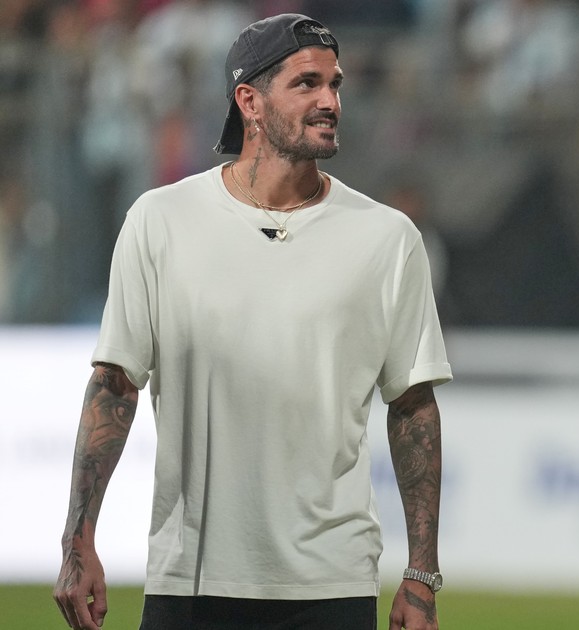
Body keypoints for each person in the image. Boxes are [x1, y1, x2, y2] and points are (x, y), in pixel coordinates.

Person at [52, 14, 452, 630]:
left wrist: (422, 574)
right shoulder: (160, 221)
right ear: (249, 101)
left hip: (333, 584)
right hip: (191, 582)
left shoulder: (388, 238)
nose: (330, 101)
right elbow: (114, 386)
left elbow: (414, 406)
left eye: (335, 84)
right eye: (307, 84)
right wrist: (78, 539)